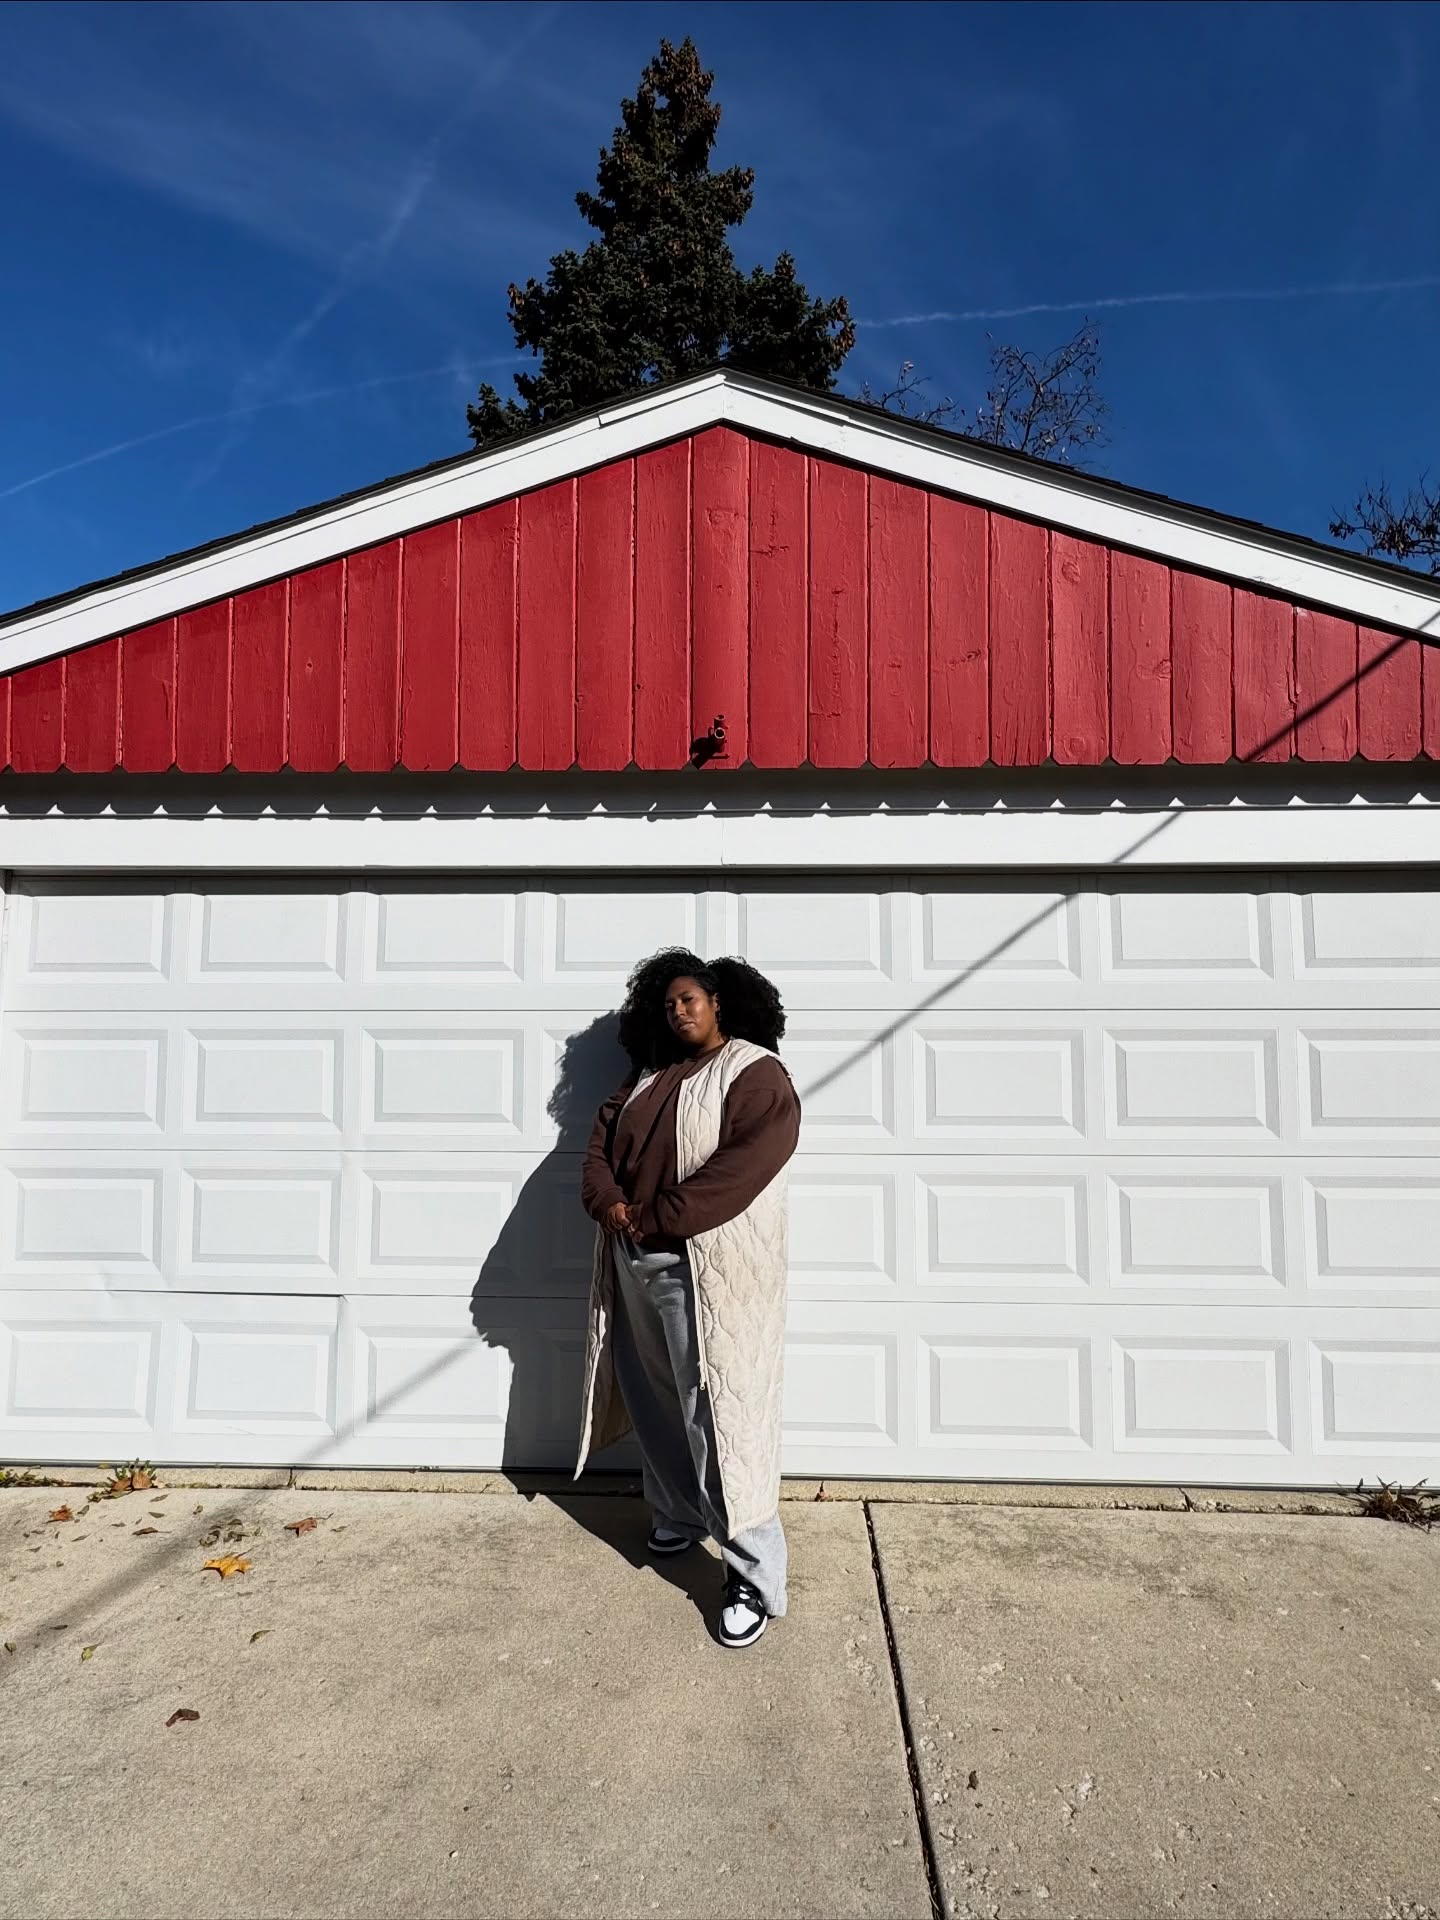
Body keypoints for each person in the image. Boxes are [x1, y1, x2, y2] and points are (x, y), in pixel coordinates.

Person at [576, 947, 801, 1648]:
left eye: (690, 999)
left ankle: (753, 1578)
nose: (678, 1011)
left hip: (704, 1269)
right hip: (635, 1260)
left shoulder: (756, 1074)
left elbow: (740, 1171)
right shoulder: (647, 1078)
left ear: (722, 1003)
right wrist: (609, 1203)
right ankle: (677, 1516)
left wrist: (651, 1216)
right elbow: (598, 1151)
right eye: (667, 1002)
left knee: (720, 1417)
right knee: (656, 1399)